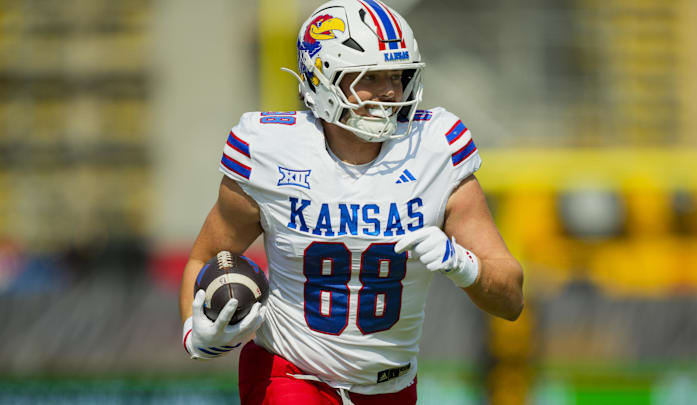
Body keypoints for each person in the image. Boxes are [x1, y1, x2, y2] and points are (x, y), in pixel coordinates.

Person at [178, 0, 524, 404]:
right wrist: (195, 333)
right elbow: (205, 259)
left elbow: (512, 299)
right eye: (370, 77)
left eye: (397, 76)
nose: (390, 91)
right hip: (289, 373)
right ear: (322, 80)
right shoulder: (272, 151)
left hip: (392, 387)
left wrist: (462, 265)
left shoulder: (436, 150)